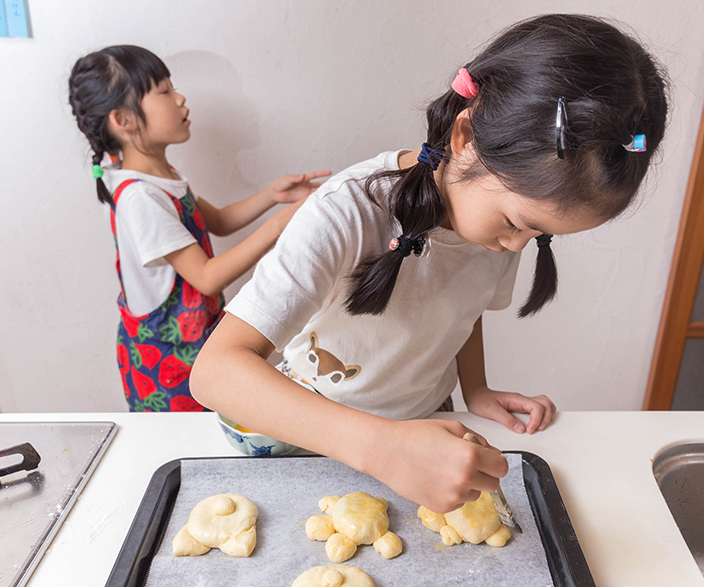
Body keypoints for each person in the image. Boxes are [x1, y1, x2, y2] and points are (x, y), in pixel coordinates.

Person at [190, 14, 669, 512]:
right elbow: (214, 372)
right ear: (465, 138)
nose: (516, 246)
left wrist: (476, 390)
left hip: (416, 427)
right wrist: (380, 448)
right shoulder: (346, 213)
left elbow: (463, 307)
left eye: (539, 233)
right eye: (515, 221)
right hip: (300, 430)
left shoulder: (498, 229)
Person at [68, 45, 329, 412]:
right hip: (165, 362)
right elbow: (206, 277)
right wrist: (282, 223)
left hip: (190, 341)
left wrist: (273, 196)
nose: (180, 98)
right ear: (124, 120)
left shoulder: (160, 179)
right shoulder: (141, 196)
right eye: (164, 92)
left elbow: (217, 220)